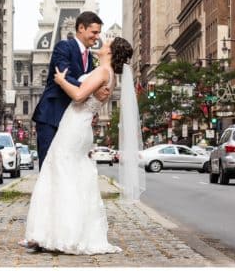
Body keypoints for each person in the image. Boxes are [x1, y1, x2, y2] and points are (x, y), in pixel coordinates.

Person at [22, 36, 144, 255]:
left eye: (107, 43)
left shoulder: (102, 72)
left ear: (110, 52)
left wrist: (61, 81)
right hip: (79, 126)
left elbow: (79, 96)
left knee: (60, 174)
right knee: (72, 175)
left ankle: (61, 234)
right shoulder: (109, 76)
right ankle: (59, 232)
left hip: (75, 127)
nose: (102, 43)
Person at [32, 11, 103, 168]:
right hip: (52, 116)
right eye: (94, 32)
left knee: (66, 166)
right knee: (48, 166)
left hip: (72, 119)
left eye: (98, 33)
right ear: (81, 28)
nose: (97, 37)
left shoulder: (91, 58)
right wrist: (88, 88)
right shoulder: (63, 47)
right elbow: (64, 76)